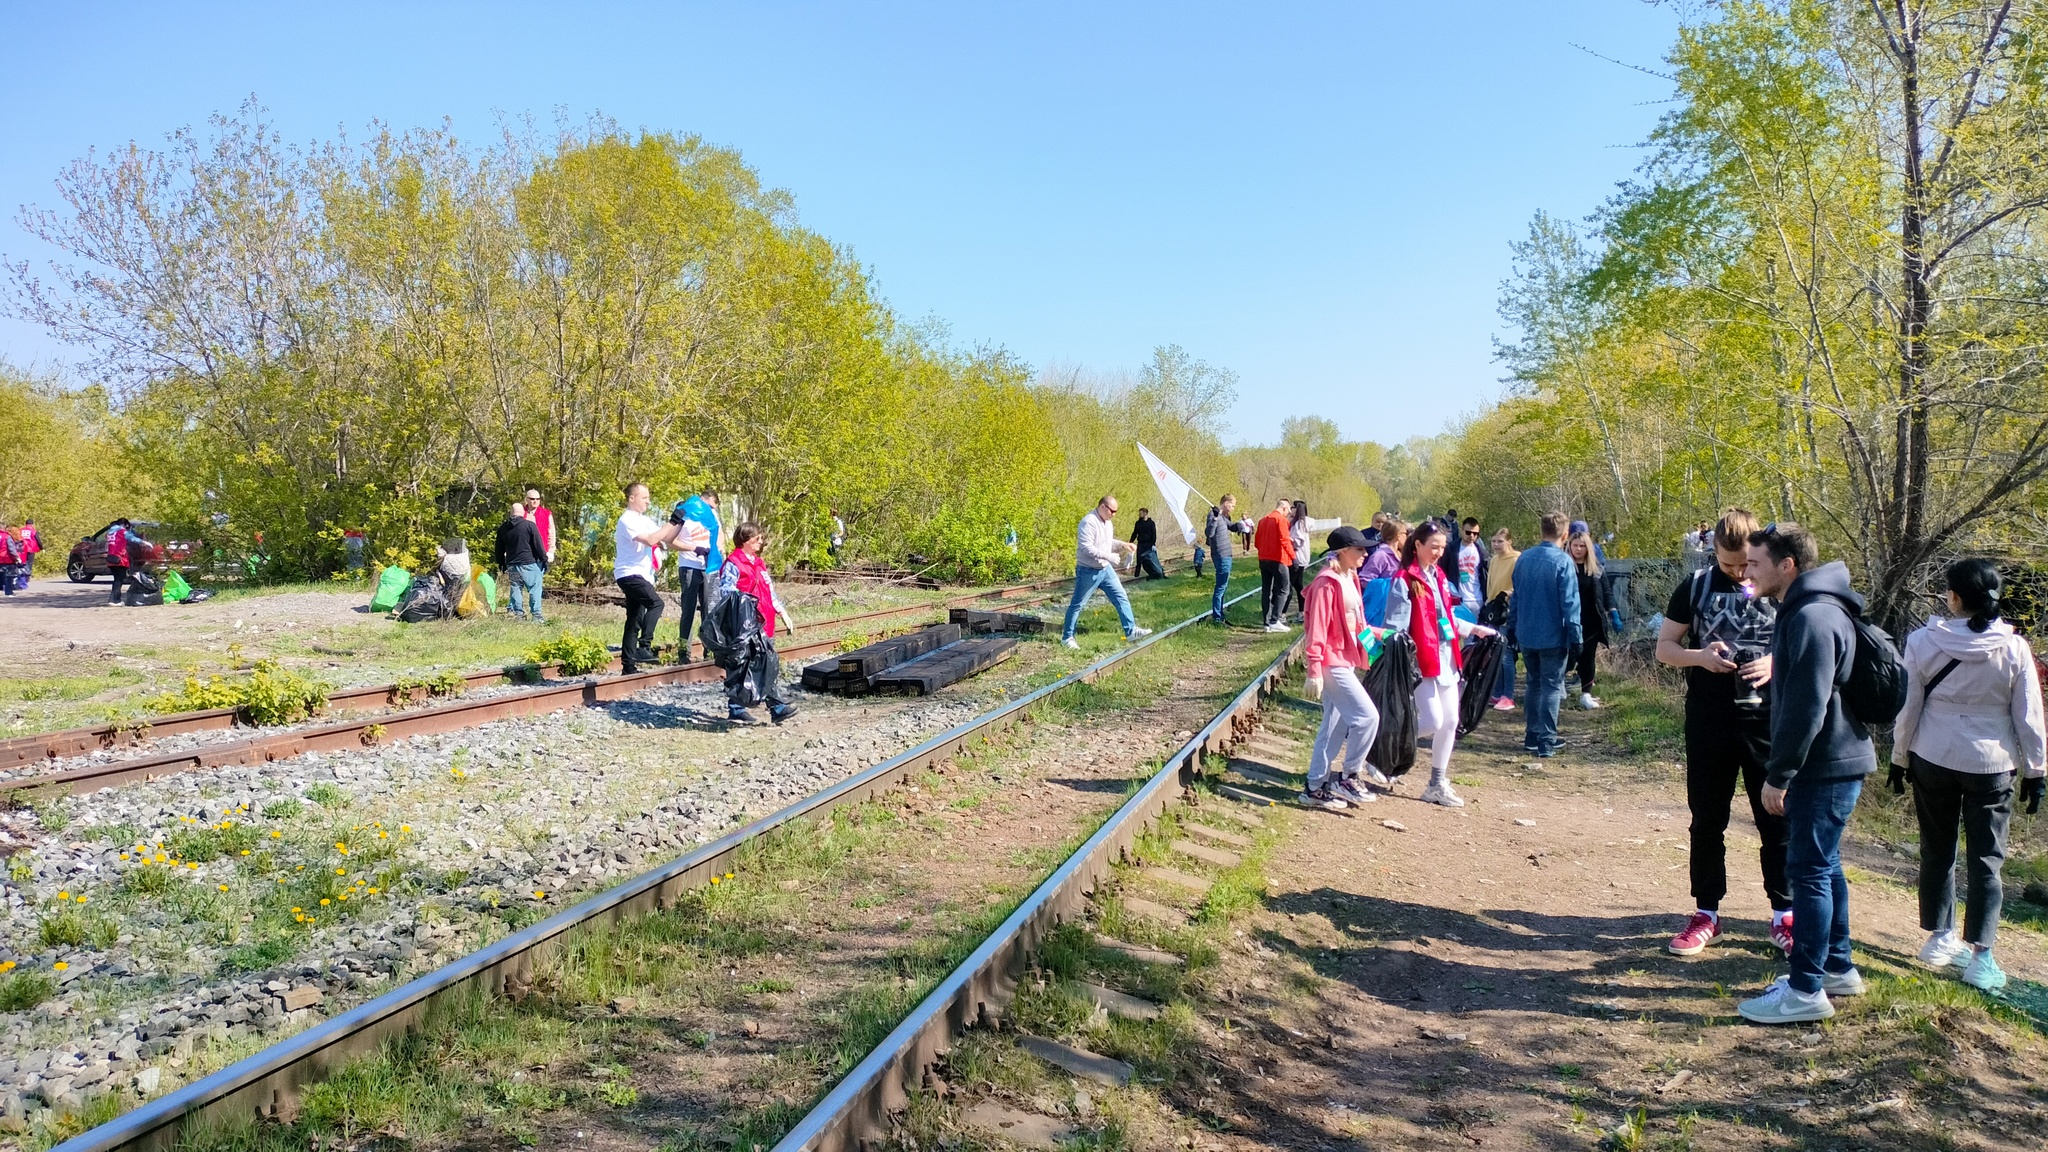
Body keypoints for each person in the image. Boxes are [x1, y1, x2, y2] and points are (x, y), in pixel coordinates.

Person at [1736, 522, 1875, 1025]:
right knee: (1825, 866)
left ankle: (1805, 991)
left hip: (1826, 765)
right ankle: (1837, 967)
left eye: (1755, 564)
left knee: (1809, 873)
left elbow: (1807, 706)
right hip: (1831, 762)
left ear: (1787, 565)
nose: (1747, 574)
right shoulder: (1807, 608)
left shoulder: (1813, 615)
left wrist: (1780, 774)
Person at [1892, 559, 2047, 993]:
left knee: (1936, 848)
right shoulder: (2014, 648)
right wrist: (2036, 770)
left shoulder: (1923, 641)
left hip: (1933, 754)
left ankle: (1939, 937)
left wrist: (1899, 758)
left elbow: (1909, 706)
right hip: (1991, 764)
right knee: (1986, 859)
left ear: (1955, 597)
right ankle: (1982, 956)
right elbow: (2029, 715)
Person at [1655, 509, 1791, 958]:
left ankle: (1784, 915)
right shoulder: (1694, 586)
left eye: (1744, 563)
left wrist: (1775, 662)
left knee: (1776, 818)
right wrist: (1700, 657)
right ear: (1712, 550)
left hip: (1766, 721)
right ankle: (1706, 912)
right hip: (1709, 719)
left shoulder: (1780, 585)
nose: (1736, 572)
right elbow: (1665, 648)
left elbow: (1809, 645)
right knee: (1707, 819)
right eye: (1726, 563)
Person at [1387, 521, 1497, 806]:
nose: (1438, 553)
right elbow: (1395, 628)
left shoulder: (1438, 576)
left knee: (1450, 721)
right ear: (1417, 545)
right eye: (1433, 547)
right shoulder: (1405, 580)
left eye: (1442, 548)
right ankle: (1384, 744)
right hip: (1421, 661)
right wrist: (1397, 659)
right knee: (1432, 720)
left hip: (1447, 658)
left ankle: (1436, 783)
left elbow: (1445, 618)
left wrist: (1473, 629)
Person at [1301, 526, 1381, 810]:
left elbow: (1357, 622)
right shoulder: (1327, 582)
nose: (1365, 554)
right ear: (1344, 551)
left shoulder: (1350, 577)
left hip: (1345, 659)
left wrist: (1378, 641)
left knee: (1334, 727)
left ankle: (1315, 787)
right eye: (1360, 549)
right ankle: (1349, 777)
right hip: (1330, 661)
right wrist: (1314, 670)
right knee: (1367, 717)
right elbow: (1317, 627)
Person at [1508, 512, 1580, 758]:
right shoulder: (1563, 562)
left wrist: (1512, 627)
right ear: (1565, 534)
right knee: (1551, 686)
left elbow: (1516, 597)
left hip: (1527, 632)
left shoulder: (1524, 558)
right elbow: (1570, 603)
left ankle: (1532, 735)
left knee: (1533, 683)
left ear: (1541, 530)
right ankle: (1547, 740)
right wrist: (1576, 636)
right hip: (1553, 635)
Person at [718, 522, 798, 724]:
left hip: (765, 622)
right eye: (757, 538)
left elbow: (769, 591)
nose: (761, 542)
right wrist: (747, 605)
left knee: (767, 662)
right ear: (745, 540)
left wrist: (782, 612)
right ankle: (757, 707)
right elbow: (726, 591)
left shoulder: (759, 564)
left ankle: (772, 707)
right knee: (743, 664)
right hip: (746, 624)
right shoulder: (734, 563)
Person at [1060, 495, 1150, 648]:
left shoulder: (1107, 523)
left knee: (1121, 597)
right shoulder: (1088, 522)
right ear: (1102, 507)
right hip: (1088, 570)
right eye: (1112, 511)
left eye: (1116, 512)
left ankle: (1131, 631)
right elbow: (1086, 548)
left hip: (1105, 569)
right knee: (1077, 604)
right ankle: (1067, 638)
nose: (1114, 515)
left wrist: (1123, 544)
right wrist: (1108, 556)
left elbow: (1107, 542)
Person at [615, 483, 681, 674]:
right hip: (629, 573)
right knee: (656, 604)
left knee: (634, 619)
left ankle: (628, 665)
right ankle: (644, 646)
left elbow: (667, 537)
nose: (648, 502)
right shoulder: (627, 519)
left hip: (641, 574)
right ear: (632, 498)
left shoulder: (644, 520)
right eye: (644, 498)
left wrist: (680, 521)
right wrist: (672, 520)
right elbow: (651, 540)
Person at [1568, 529, 1610, 709]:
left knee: (1588, 657)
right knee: (1568, 655)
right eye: (1575, 545)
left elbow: (1606, 591)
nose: (1578, 549)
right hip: (1569, 620)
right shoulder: (1565, 567)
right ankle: (1557, 685)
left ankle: (1586, 694)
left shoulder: (1596, 569)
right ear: (1569, 546)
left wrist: (1613, 611)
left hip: (1591, 620)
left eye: (1582, 546)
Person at [494, 499, 548, 623]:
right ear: (523, 512)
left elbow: (498, 549)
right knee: (534, 588)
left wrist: (501, 564)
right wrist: (544, 559)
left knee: (516, 587)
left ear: (511, 512)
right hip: (529, 563)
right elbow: (538, 544)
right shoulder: (529, 525)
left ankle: (518, 615)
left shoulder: (503, 528)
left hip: (512, 565)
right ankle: (536, 616)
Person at [1203, 496, 1253, 625]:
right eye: (1232, 505)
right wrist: (1215, 517)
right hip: (1221, 554)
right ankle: (1217, 618)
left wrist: (1240, 525)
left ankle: (1220, 616)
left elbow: (1231, 526)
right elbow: (1209, 533)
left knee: (1223, 586)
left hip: (1226, 554)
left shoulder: (1223, 517)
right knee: (1220, 587)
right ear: (1226, 503)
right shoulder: (1213, 515)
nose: (1233, 508)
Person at [1488, 527, 1521, 710]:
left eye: (1500, 541)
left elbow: (1520, 585)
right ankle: (1497, 692)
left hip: (1508, 611)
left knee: (1506, 654)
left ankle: (1508, 695)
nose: (1496, 545)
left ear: (1509, 542)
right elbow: (1491, 584)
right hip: (1494, 609)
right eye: (1494, 541)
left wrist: (1508, 593)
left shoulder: (1517, 559)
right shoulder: (1494, 560)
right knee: (1495, 653)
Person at [1252, 498, 1295, 632]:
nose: (1288, 514)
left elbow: (1257, 542)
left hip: (1263, 559)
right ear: (1284, 508)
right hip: (1278, 559)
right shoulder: (1281, 520)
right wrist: (1293, 556)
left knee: (1266, 590)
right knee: (1284, 589)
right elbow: (1284, 540)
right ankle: (1274, 620)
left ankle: (1266, 623)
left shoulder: (1262, 520)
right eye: (1288, 511)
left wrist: (1264, 551)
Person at [1453, 516, 1489, 614]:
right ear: (1462, 530)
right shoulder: (1451, 549)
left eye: (1475, 533)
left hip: (1477, 599)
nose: (1472, 536)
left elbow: (1485, 575)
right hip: (1458, 599)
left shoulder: (1481, 552)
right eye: (1468, 532)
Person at [1130, 508, 1166, 580]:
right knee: (1139, 560)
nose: (1139, 515)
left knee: (1152, 560)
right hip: (1141, 544)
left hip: (1149, 545)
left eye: (1141, 513)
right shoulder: (1138, 523)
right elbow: (1135, 533)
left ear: (1145, 513)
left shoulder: (1151, 523)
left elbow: (1154, 534)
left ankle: (1159, 573)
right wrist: (1130, 542)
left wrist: (1153, 544)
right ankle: (1136, 575)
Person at [104, 518, 133, 606]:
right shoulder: (123, 532)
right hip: (121, 560)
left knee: (116, 580)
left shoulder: (110, 533)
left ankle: (113, 599)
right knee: (119, 580)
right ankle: (115, 600)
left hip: (111, 560)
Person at [524, 489, 556, 567]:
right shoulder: (521, 513)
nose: (535, 501)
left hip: (541, 553)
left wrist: (550, 551)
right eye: (532, 499)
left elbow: (551, 534)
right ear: (527, 499)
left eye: (537, 499)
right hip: (524, 553)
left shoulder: (546, 514)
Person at [19, 519, 39, 587]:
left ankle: (22, 577)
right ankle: (27, 577)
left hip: (22, 549)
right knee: (29, 563)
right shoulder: (33, 531)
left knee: (22, 562)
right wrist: (41, 547)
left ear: (26, 524)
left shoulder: (20, 530)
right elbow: (38, 539)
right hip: (31, 549)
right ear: (32, 524)